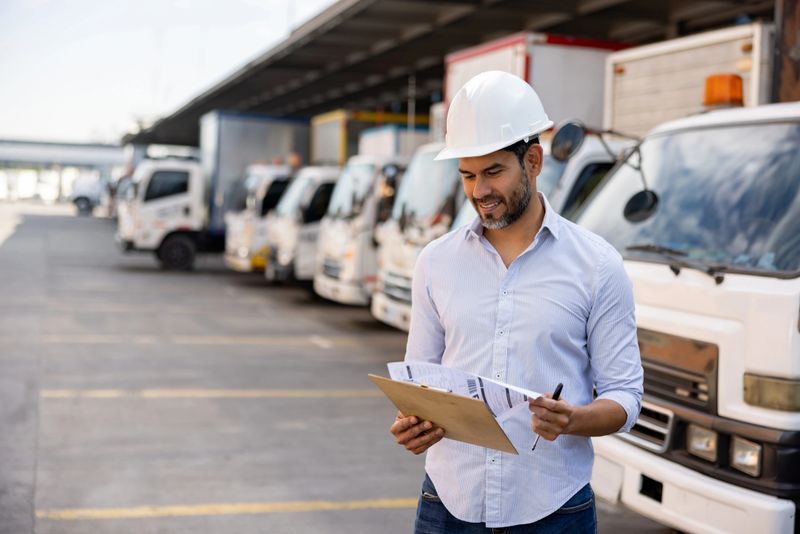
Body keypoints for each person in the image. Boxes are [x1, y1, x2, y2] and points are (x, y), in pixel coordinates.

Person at [389, 71, 643, 533]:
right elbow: (419, 379)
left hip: (551, 509)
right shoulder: (436, 262)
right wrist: (412, 421)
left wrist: (574, 419)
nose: (478, 191)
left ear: (533, 160)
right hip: (447, 502)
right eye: (467, 175)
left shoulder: (597, 266)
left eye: (492, 172)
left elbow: (626, 396)